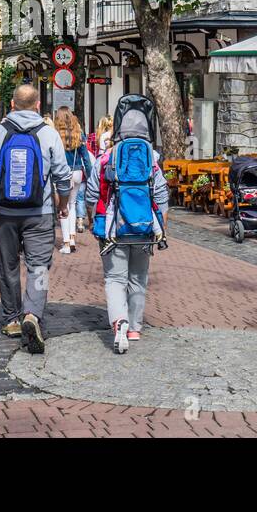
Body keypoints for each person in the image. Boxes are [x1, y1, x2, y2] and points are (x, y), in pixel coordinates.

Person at [0, 84, 72, 354]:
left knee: (8, 266)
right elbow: (63, 176)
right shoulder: (49, 133)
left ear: (12, 105)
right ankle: (33, 315)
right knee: (39, 267)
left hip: (4, 213)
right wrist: (63, 206)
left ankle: (12, 319)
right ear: (38, 105)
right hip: (39, 212)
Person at [85, 103, 170, 354]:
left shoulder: (106, 158)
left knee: (114, 278)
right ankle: (134, 327)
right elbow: (162, 194)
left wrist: (93, 219)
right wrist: (161, 226)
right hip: (144, 227)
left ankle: (118, 322)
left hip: (113, 227)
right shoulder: (151, 159)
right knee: (138, 278)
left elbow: (92, 193)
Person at [54, 107, 92, 254]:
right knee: (73, 204)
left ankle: (66, 242)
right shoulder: (79, 133)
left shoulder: (56, 134)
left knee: (63, 206)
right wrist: (89, 175)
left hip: (62, 172)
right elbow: (86, 158)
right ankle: (72, 238)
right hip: (77, 172)